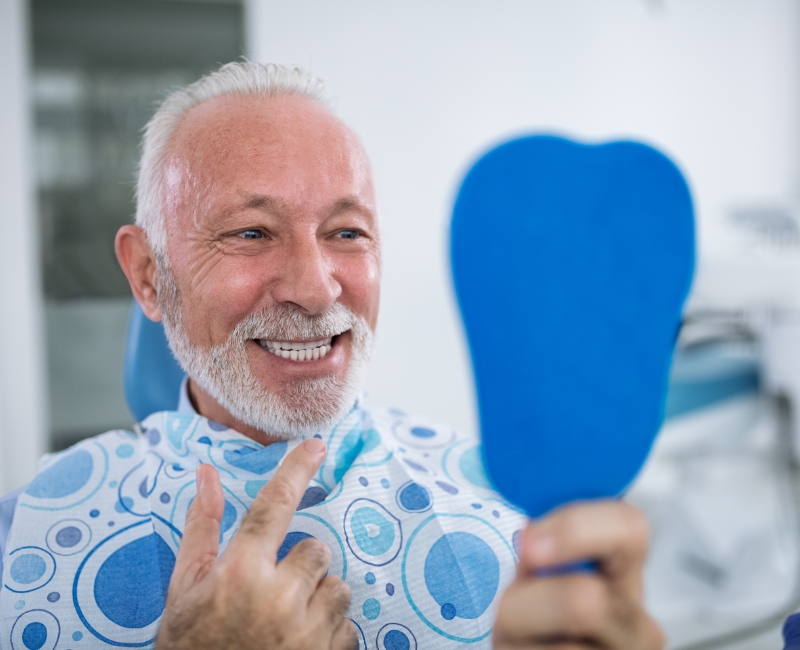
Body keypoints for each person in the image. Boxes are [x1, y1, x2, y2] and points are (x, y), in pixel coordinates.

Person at [0, 62, 662, 650]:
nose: (317, 289)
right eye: (252, 232)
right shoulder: (22, 540)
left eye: (347, 232)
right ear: (148, 275)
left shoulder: (518, 522)